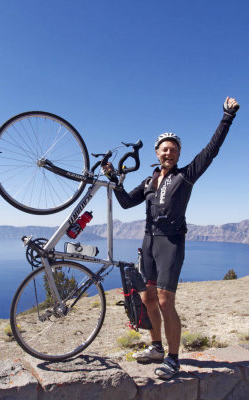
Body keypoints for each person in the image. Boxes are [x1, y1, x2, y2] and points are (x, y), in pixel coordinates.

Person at [103, 97, 239, 380]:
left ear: (178, 154)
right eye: (165, 149)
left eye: (174, 150)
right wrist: (115, 179)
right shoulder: (149, 181)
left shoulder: (186, 175)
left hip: (171, 243)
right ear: (157, 152)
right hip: (148, 243)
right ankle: (155, 346)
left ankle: (173, 359)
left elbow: (211, 151)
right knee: (148, 298)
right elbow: (127, 203)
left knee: (165, 301)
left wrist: (227, 117)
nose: (169, 153)